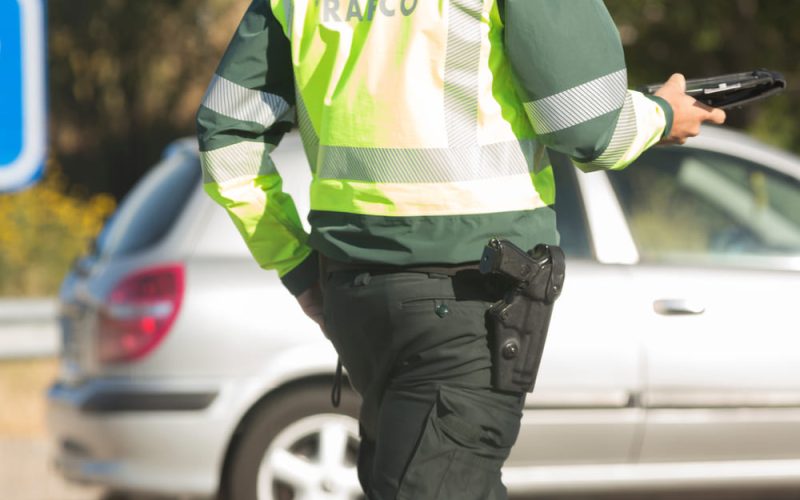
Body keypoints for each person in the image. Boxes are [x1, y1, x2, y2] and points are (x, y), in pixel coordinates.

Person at [196, 1, 725, 498]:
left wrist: (294, 262)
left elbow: (226, 137)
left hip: (357, 295)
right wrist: (660, 114)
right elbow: (591, 127)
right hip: (470, 297)